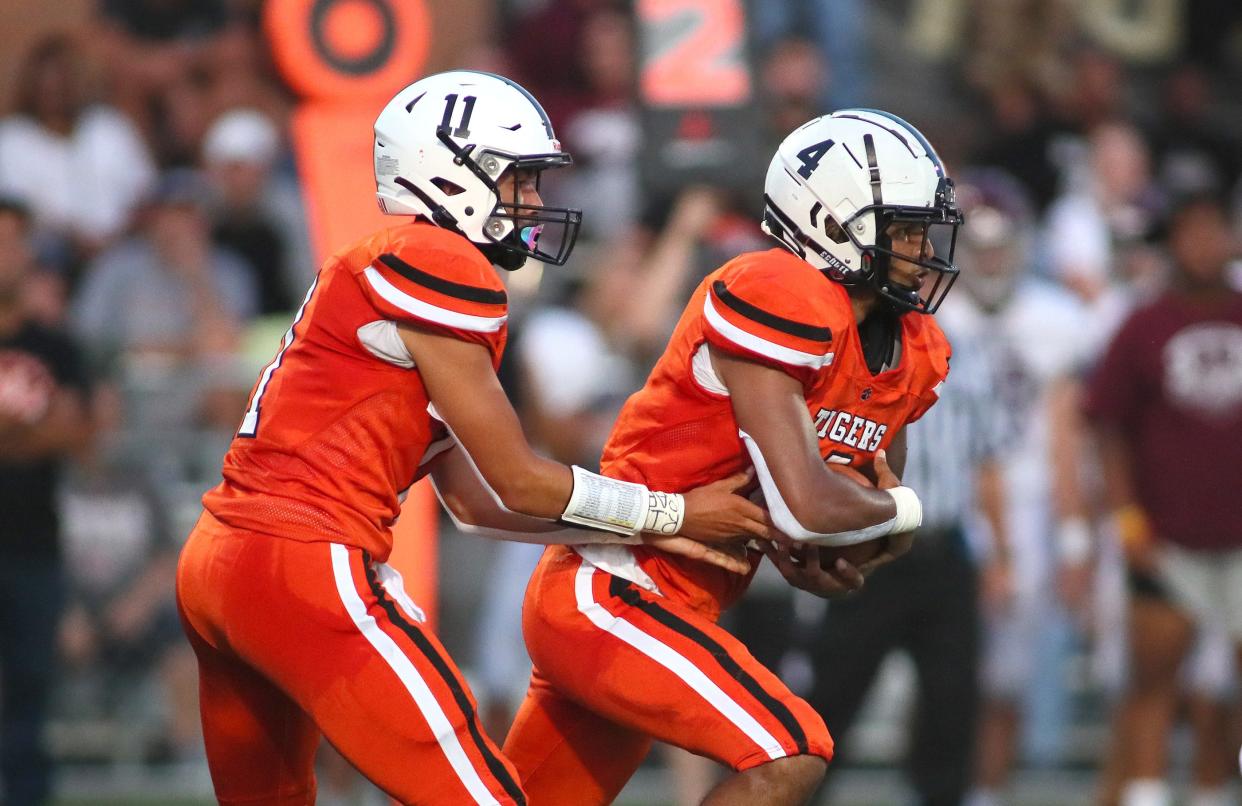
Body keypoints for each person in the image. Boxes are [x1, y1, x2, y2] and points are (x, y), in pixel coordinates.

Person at [174, 69, 769, 806]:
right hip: (302, 563)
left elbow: (478, 505)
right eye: (520, 179)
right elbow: (517, 477)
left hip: (224, 559)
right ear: (450, 176)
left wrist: (636, 537)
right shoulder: (442, 261)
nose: (536, 203)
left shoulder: (398, 267)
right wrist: (671, 513)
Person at [501, 108, 964, 805]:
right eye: (901, 227)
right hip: (612, 586)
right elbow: (817, 502)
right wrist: (903, 513)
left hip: (675, 603)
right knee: (792, 748)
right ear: (832, 224)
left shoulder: (911, 347)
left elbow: (849, 514)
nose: (919, 246)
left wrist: (847, 549)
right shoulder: (778, 292)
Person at [1083, 191, 1242, 806]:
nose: (1204, 245)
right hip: (1167, 532)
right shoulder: (1144, 323)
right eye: (1191, 232)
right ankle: (1145, 791)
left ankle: (1210, 791)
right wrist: (1126, 518)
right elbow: (1108, 426)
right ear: (1172, 242)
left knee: (1223, 690)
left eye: (1214, 232)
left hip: (1238, 532)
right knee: (1153, 676)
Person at [0, 197, 93, 805]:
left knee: (30, 708)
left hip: (33, 543)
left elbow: (79, 431)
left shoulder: (56, 345)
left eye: (12, 242)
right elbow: (54, 427)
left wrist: (15, 436)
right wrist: (32, 432)